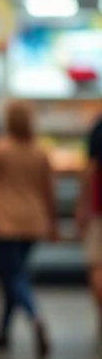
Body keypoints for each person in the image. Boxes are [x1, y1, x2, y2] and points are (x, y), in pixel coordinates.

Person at [0, 100, 56, 357]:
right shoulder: (40, 152)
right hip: (33, 221)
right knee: (16, 274)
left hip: (5, 222)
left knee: (12, 277)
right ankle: (3, 333)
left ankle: (35, 316)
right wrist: (52, 222)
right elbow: (49, 191)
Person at [77, 114, 102, 325]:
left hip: (99, 206)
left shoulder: (99, 127)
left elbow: (91, 168)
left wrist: (82, 204)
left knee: (96, 263)